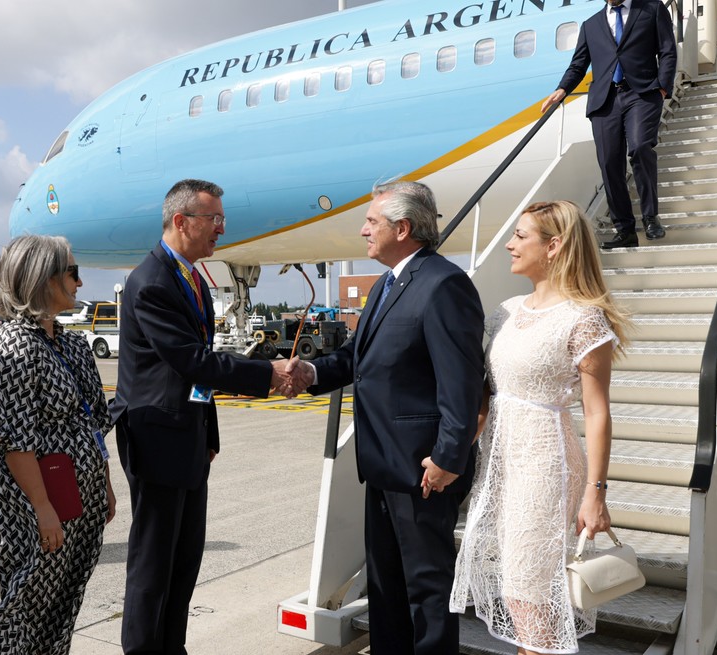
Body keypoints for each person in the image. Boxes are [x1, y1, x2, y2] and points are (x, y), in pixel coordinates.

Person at [284, 180, 485, 653]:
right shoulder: (388, 284)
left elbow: (462, 383)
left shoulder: (443, 284)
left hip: (423, 471)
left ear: (403, 226)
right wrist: (309, 371)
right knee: (387, 591)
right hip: (382, 467)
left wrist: (448, 457)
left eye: (371, 222)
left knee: (427, 594)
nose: (362, 231)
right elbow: (357, 358)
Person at [113, 178, 297, 654]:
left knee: (183, 562)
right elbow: (191, 361)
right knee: (153, 566)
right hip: (157, 440)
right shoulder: (151, 282)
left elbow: (195, 370)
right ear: (180, 221)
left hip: (188, 438)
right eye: (213, 219)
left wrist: (209, 433)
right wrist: (268, 373)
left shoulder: (190, 275)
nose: (221, 229)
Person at [451, 200, 628, 654]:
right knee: (519, 589)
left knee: (526, 591)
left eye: (520, 236)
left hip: (546, 464)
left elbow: (598, 412)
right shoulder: (504, 312)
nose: (509, 244)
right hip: (501, 464)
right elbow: (487, 396)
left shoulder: (583, 318)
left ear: (554, 246)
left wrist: (597, 492)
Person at [0, 235, 115, 654]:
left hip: (77, 499)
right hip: (39, 506)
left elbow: (94, 420)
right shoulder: (12, 347)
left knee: (61, 604)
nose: (80, 283)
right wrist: (43, 509)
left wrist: (103, 483)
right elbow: (13, 442)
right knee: (27, 606)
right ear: (42, 278)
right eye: (72, 273)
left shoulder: (70, 342)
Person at [541, 0, 677, 250]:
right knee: (609, 162)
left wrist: (662, 88)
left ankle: (650, 217)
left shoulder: (651, 9)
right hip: (605, 101)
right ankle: (624, 229)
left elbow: (667, 50)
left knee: (640, 147)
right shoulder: (590, 25)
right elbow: (578, 64)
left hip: (642, 93)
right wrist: (561, 89)